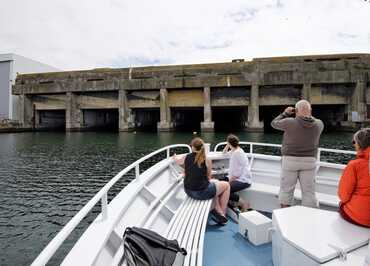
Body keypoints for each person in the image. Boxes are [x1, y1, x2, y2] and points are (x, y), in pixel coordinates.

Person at [271, 100, 324, 208]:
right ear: (311, 110)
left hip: (290, 161)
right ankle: (308, 217)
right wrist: (306, 111)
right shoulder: (319, 124)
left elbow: (273, 123)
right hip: (309, 162)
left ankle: (285, 216)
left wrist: (285, 113)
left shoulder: (289, 122)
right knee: (309, 192)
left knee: (286, 190)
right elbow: (309, 119)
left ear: (296, 111)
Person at [173, 137, 230, 225]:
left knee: (214, 185)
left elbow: (177, 161)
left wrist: (175, 157)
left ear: (192, 147)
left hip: (188, 191)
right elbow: (208, 178)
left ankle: (217, 210)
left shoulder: (186, 157)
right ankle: (222, 212)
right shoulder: (207, 160)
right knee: (226, 185)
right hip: (202, 192)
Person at [338, 128, 370, 227]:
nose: (353, 144)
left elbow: (343, 196)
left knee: (342, 205)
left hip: (361, 217)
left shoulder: (355, 165)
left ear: (360, 145)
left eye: (354, 142)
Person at [223, 134, 252, 211]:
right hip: (238, 177)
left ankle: (243, 203)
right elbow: (224, 153)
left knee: (225, 189)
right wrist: (227, 145)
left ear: (229, 143)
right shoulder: (236, 150)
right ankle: (233, 204)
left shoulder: (236, 154)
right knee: (220, 181)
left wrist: (228, 182)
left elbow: (237, 174)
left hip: (243, 180)